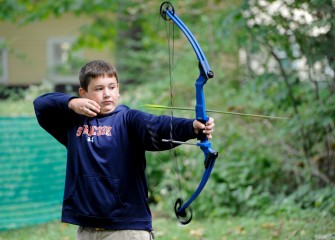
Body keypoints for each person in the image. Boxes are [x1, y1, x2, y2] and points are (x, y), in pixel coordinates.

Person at [33, 60, 215, 240]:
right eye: (98, 89)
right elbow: (41, 105)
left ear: (118, 89)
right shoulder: (73, 125)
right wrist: (71, 103)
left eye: (111, 87)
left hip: (127, 229)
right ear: (83, 93)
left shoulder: (128, 120)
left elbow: (157, 126)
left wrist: (192, 127)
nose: (107, 94)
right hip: (86, 230)